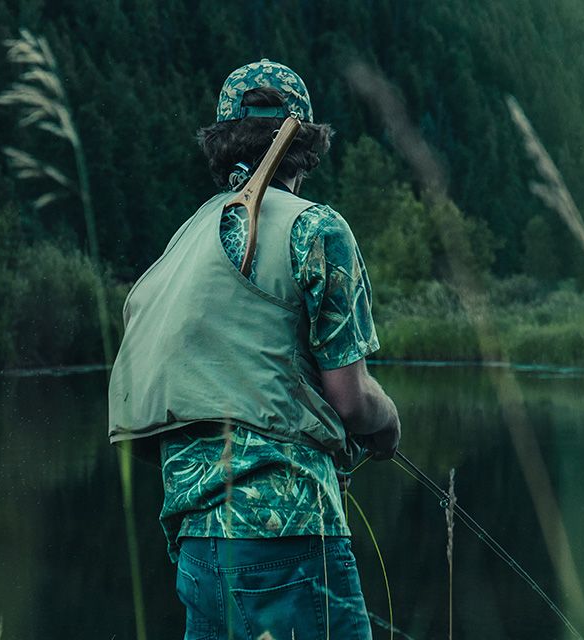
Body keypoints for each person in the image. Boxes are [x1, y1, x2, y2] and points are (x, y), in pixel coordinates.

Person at [108, 59, 401, 640]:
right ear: (306, 148)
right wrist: (388, 423)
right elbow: (350, 399)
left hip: (198, 543)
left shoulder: (185, 240)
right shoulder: (317, 229)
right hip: (290, 537)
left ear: (221, 145)